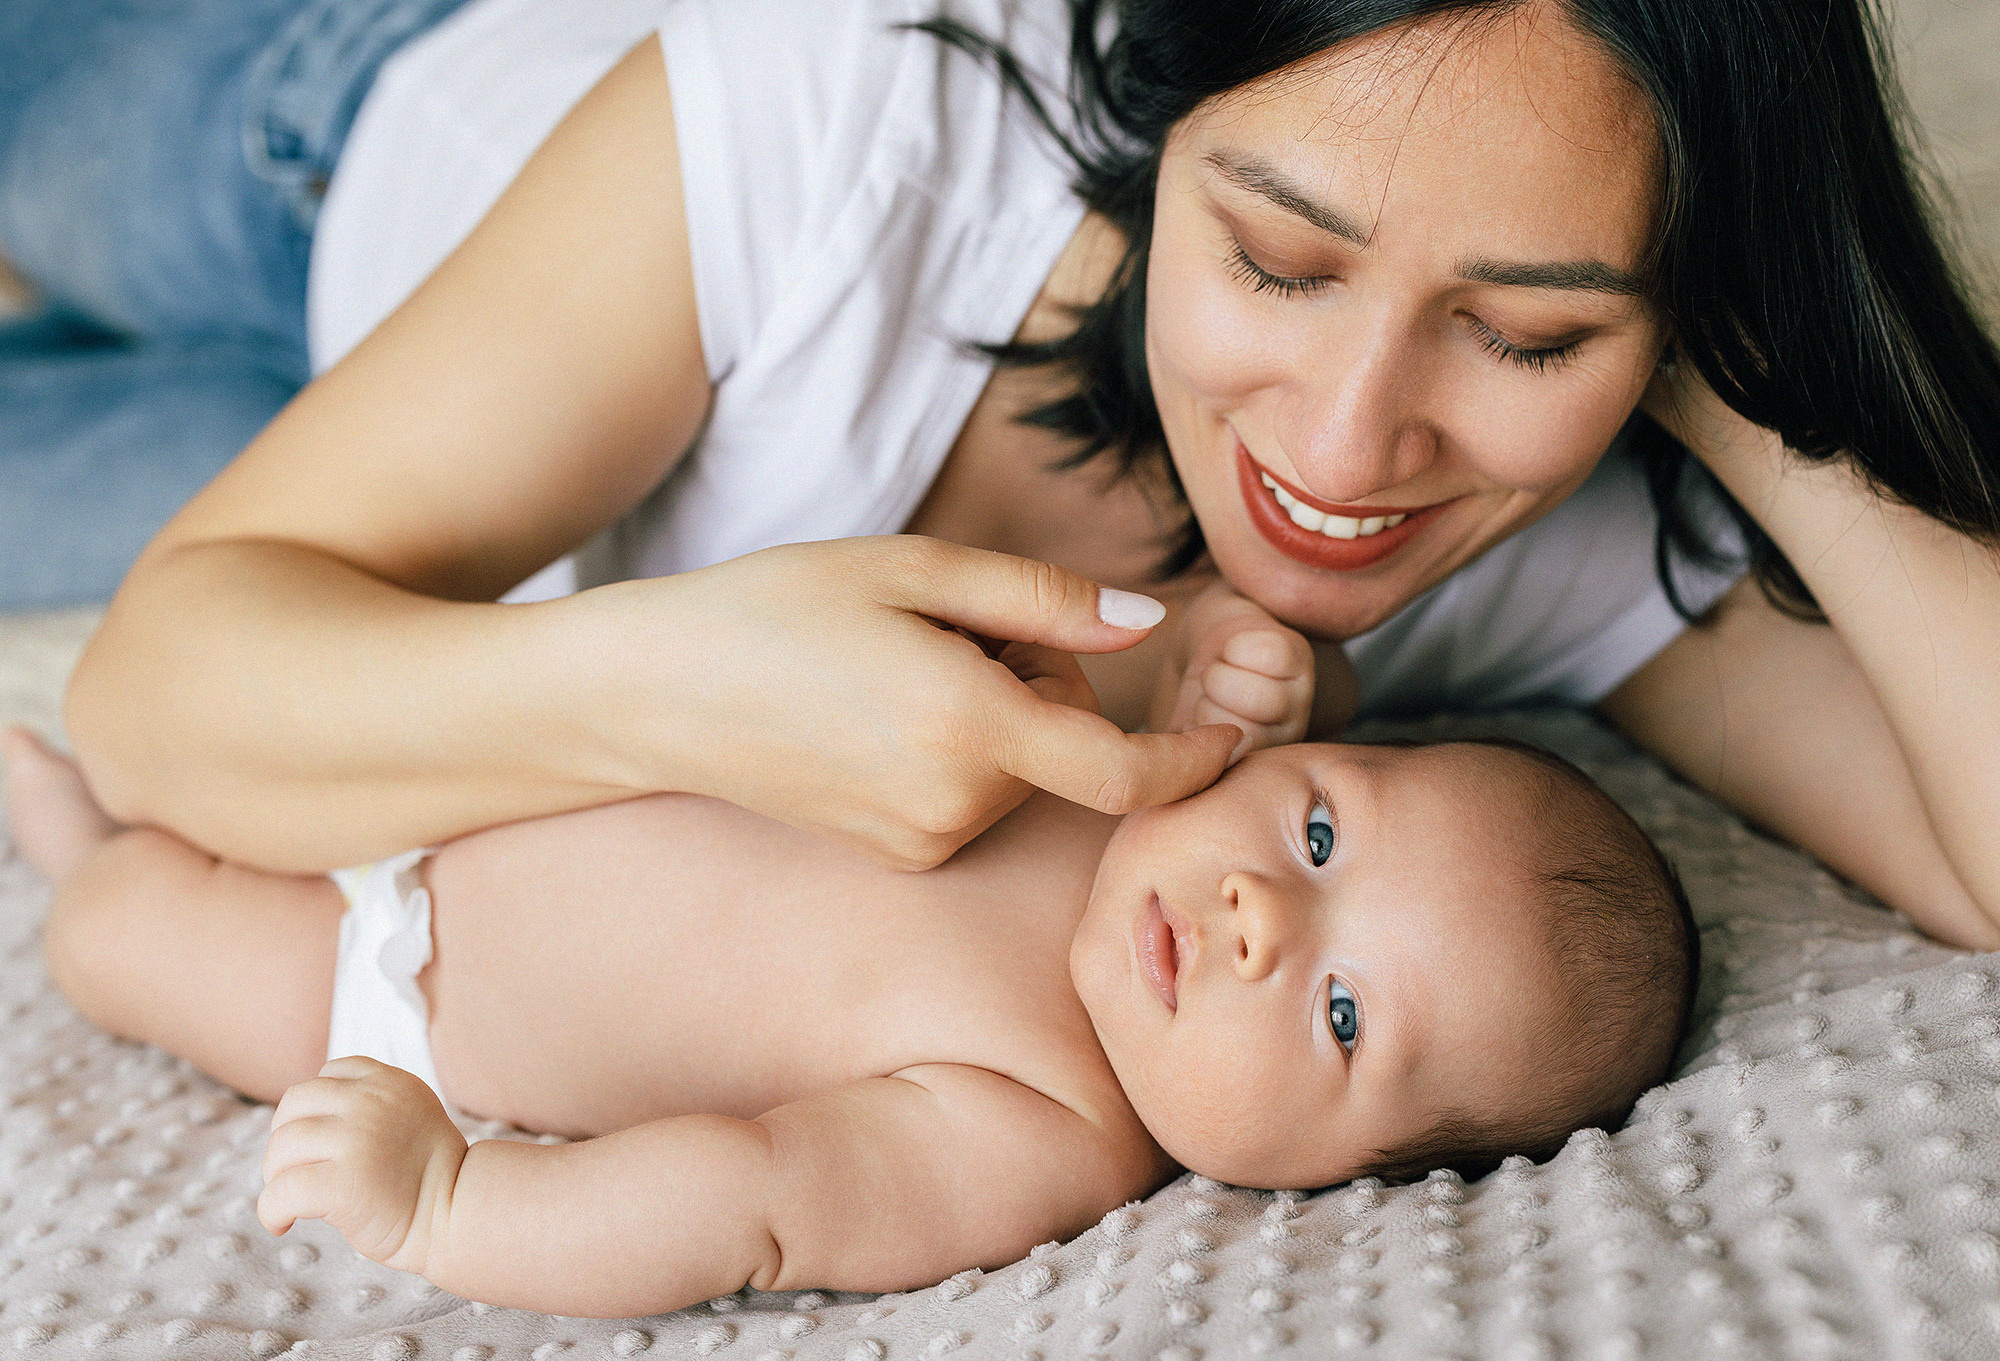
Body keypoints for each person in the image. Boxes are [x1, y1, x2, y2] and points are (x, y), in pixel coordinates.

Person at [14, 0, 2000, 953]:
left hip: (357, 489)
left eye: (1526, 333)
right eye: (1276, 262)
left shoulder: (1564, 524)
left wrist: (1774, 368)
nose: (1340, 456)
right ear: (1156, 125)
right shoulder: (859, 124)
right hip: (315, 134)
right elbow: (154, 692)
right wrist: (684, 685)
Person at [1, 633, 1697, 1316]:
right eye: (1322, 833)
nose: (1265, 917)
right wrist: (1219, 650)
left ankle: (80, 856)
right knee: (209, 736)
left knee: (127, 931)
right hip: (492, 742)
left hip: (398, 984)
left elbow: (753, 1196)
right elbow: (1020, 648)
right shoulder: (1133, 773)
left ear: (1347, 1180)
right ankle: (127, 779)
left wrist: (454, 1205)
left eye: (1341, 1016)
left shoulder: (1043, 1121)